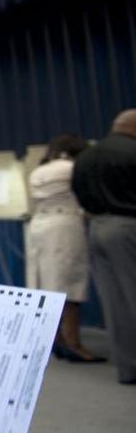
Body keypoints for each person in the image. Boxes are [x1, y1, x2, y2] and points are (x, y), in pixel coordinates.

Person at [26, 134, 104, 362]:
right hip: (65, 226)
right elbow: (86, 198)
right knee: (70, 284)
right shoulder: (71, 168)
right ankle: (74, 343)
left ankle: (56, 339)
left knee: (47, 284)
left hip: (39, 225)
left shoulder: (38, 171)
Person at [72, 109, 136, 384]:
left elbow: (79, 192)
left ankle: (128, 368)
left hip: (97, 228)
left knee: (115, 303)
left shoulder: (86, 156)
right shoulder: (132, 151)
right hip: (128, 226)